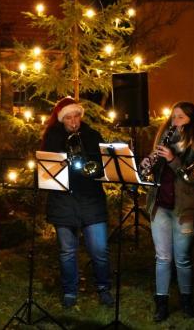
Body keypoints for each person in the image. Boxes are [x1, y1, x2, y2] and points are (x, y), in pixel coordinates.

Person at [40, 97, 113, 309]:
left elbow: (103, 166)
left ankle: (103, 288)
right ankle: (70, 291)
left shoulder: (92, 135)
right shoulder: (52, 137)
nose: (73, 122)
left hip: (91, 200)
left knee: (99, 249)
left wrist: (93, 166)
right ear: (62, 120)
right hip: (63, 201)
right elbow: (48, 170)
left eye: (76, 117)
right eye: (68, 118)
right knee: (67, 251)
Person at [141, 102, 194, 322]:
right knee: (162, 258)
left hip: (183, 209)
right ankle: (161, 303)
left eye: (180, 117)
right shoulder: (164, 139)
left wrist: (172, 159)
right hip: (160, 205)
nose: (174, 121)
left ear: (191, 120)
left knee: (182, 259)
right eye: (173, 117)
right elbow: (154, 172)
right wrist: (148, 164)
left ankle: (187, 302)